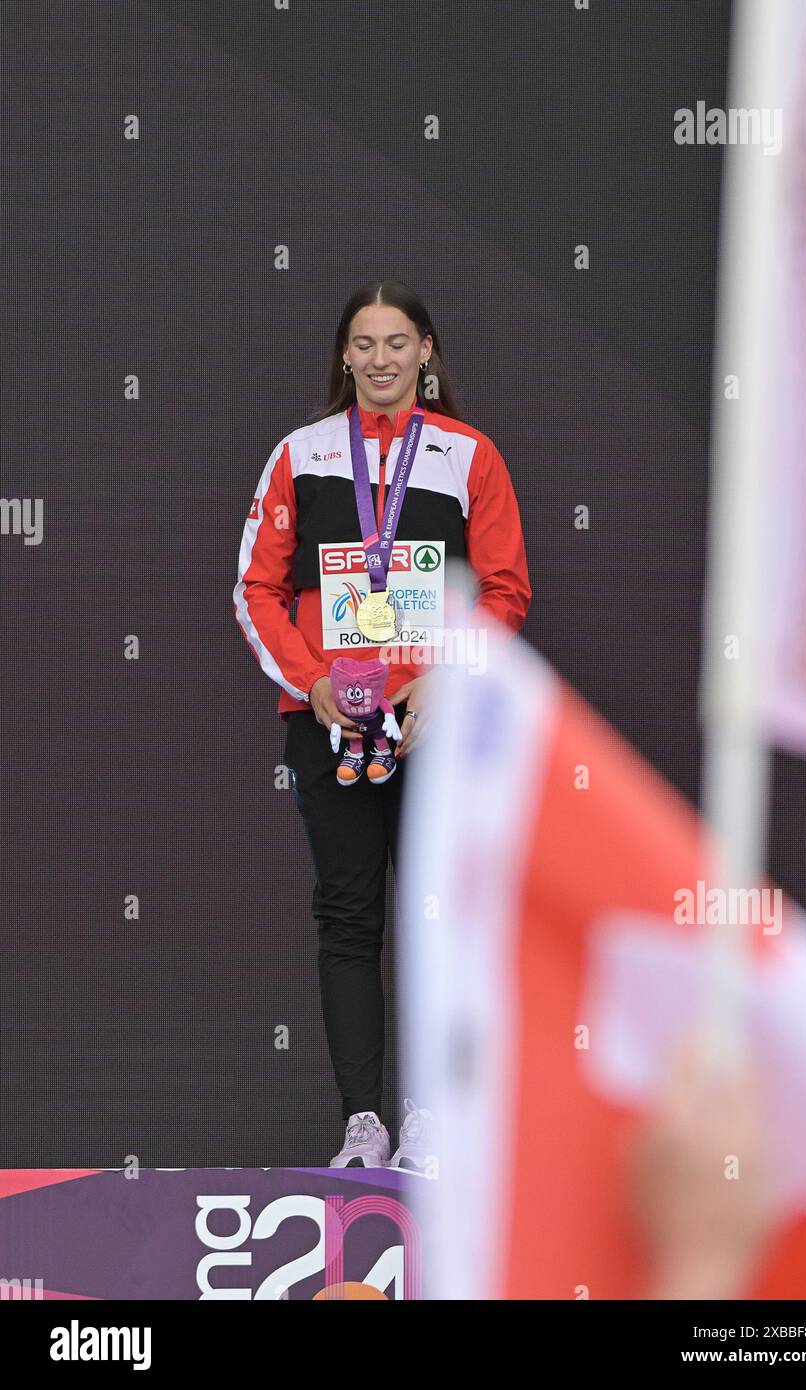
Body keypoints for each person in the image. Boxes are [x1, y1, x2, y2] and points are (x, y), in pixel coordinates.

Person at [233, 280, 531, 1167]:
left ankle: (435, 1124)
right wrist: (314, 679)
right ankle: (365, 1124)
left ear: (427, 351)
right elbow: (257, 589)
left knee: (441, 921)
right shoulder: (301, 453)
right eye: (363, 344)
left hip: (434, 727)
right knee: (349, 919)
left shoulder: (467, 455)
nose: (380, 360)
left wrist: (447, 677)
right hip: (331, 722)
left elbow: (507, 593)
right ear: (344, 357)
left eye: (397, 342)